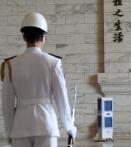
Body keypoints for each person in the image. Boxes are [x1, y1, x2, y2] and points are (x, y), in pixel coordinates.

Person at [1, 12, 76, 147]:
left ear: (24, 36)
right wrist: (69, 127)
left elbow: (7, 105)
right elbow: (61, 99)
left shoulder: (10, 65)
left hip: (20, 127)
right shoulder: (53, 62)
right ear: (44, 36)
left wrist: (9, 132)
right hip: (47, 125)